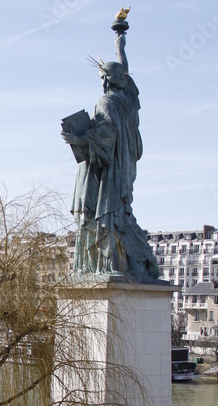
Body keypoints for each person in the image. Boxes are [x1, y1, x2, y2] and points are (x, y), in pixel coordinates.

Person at [61, 26, 159, 280]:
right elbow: (126, 80)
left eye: (103, 77)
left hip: (110, 173)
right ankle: (139, 260)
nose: (102, 82)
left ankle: (114, 262)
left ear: (108, 80)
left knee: (109, 218)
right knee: (120, 216)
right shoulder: (128, 103)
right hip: (122, 171)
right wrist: (120, 48)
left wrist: (78, 138)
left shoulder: (106, 103)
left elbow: (105, 136)